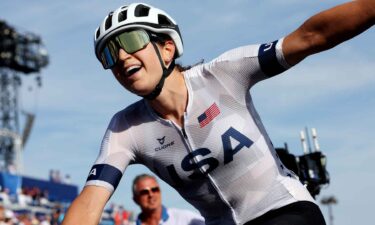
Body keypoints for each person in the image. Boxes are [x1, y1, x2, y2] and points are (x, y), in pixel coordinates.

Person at [62, 1, 374, 225]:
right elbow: (91, 200)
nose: (120, 56)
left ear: (167, 47)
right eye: (108, 53)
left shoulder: (223, 73)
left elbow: (311, 36)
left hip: (284, 211)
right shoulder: (125, 128)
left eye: (130, 41)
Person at [132, 174, 205, 225]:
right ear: (135, 199)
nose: (151, 194)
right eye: (144, 192)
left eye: (154, 189)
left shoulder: (187, 218)